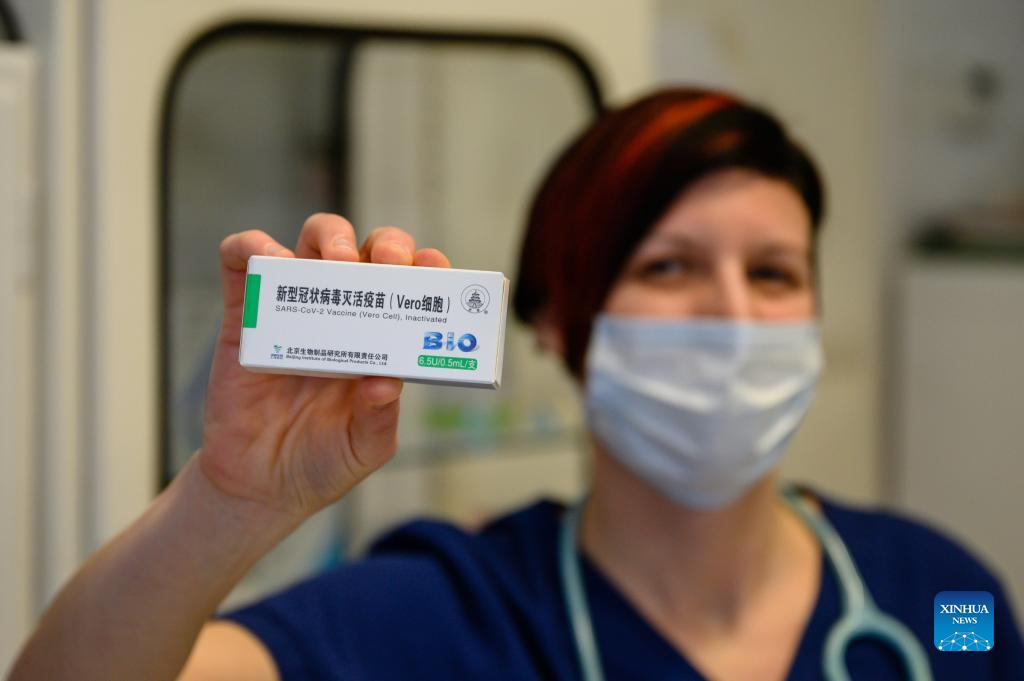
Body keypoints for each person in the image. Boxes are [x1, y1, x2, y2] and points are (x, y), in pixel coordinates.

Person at [10, 88, 1023, 681]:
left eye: (773, 273)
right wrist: (227, 501)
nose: (732, 314)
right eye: (668, 266)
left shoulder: (942, 595)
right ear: (557, 321)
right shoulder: (444, 614)